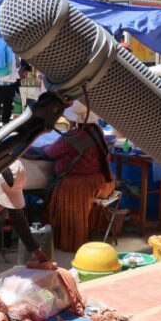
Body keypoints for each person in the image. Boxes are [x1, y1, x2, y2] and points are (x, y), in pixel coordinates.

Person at [41, 101, 115, 252]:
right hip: (104, 182)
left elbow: (49, 153)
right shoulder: (97, 131)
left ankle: (72, 240)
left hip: (81, 187)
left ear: (75, 119)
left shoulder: (73, 136)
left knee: (60, 190)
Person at [0, 37, 21, 131]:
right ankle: (5, 123)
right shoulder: (12, 44)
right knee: (8, 103)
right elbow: (18, 64)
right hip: (9, 82)